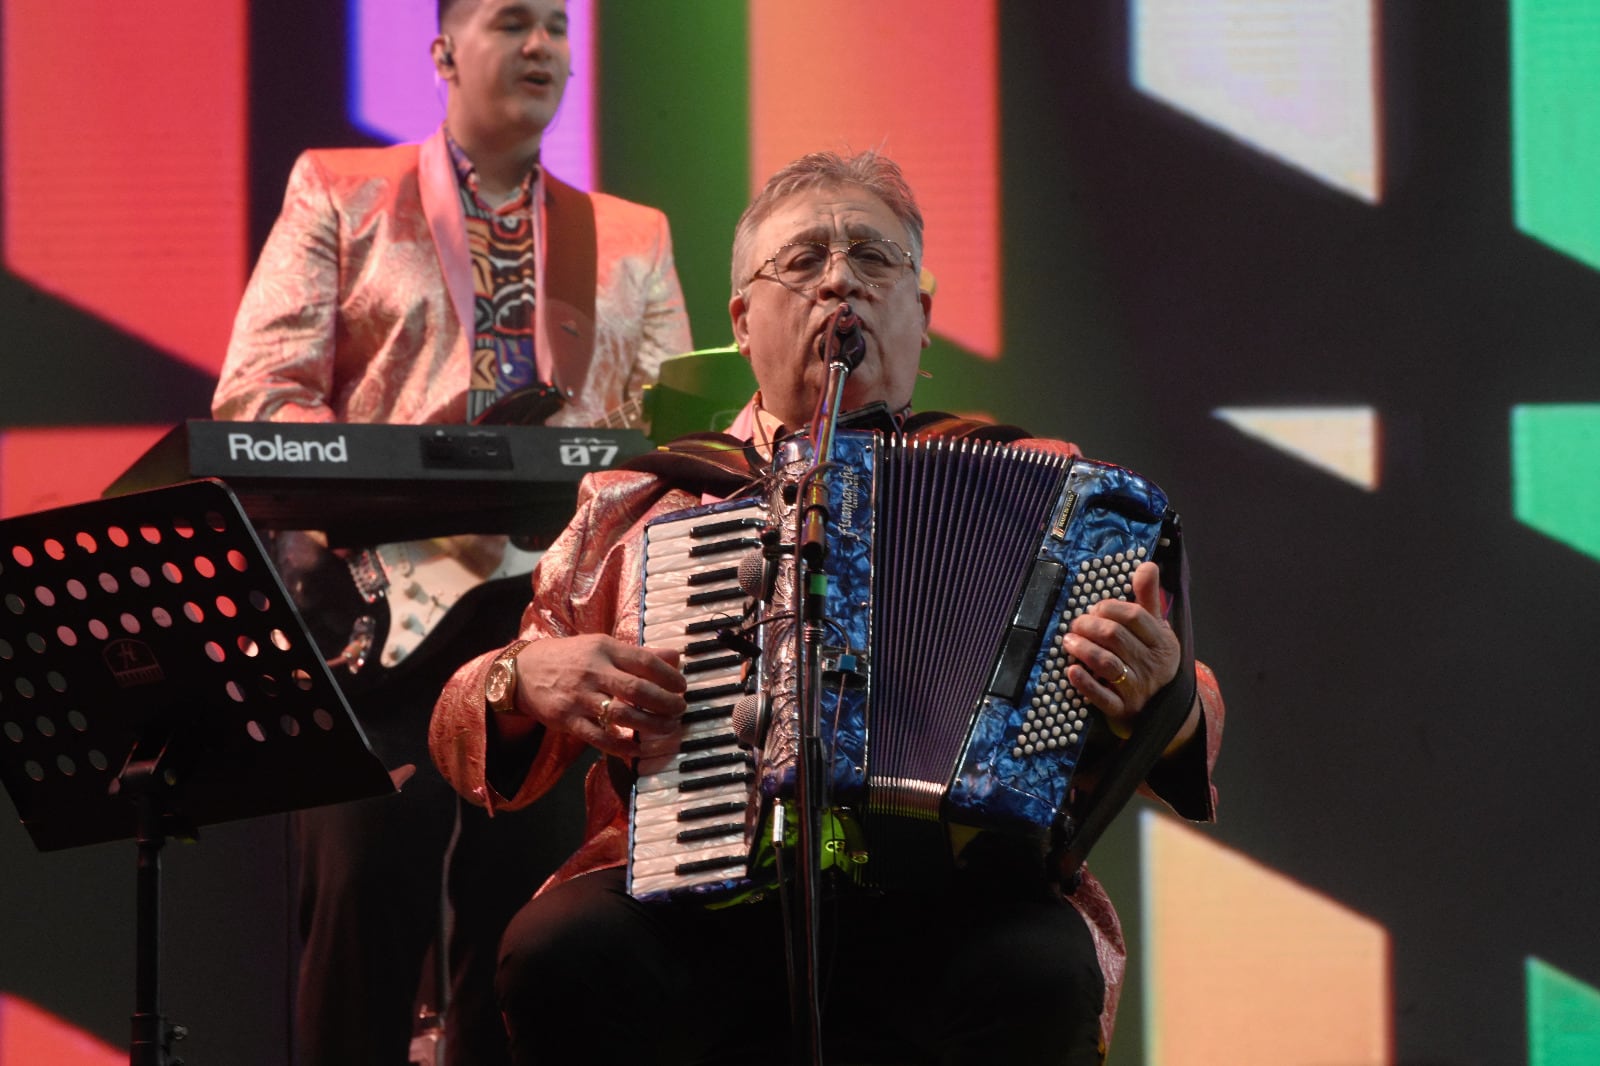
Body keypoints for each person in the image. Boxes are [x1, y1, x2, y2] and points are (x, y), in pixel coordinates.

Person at [430, 150, 1223, 1065]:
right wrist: (521, 676)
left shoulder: (1047, 489)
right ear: (742, 321)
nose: (840, 278)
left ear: (921, 319)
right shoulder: (643, 505)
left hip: (949, 899)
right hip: (694, 898)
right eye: (802, 261)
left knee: (1040, 966)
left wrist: (1160, 693)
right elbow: (464, 718)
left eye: (875, 260)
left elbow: (1188, 699)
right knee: (563, 950)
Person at [212, 1, 692, 1063]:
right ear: (438, 53)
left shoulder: (633, 233)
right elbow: (258, 398)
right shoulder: (340, 189)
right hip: (381, 619)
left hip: (557, 619)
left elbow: (675, 451)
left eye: (556, 28)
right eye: (510, 22)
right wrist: (408, 462)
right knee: (360, 921)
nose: (540, 47)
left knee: (530, 941)